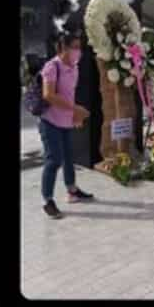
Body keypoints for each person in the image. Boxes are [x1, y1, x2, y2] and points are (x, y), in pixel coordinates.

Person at [39, 32, 93, 218]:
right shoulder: (52, 67)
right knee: (53, 160)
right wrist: (76, 109)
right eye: (75, 47)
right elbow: (48, 95)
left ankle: (72, 190)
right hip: (50, 121)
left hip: (66, 121)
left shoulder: (74, 68)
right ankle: (47, 200)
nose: (78, 51)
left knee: (69, 157)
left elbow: (70, 94)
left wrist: (74, 116)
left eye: (80, 47)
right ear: (63, 48)